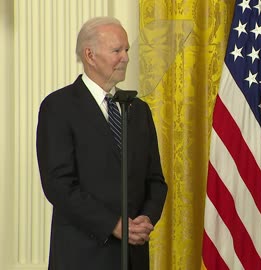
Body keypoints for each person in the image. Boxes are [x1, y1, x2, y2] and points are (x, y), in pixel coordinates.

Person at [36, 17, 168, 270]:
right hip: (83, 256)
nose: (126, 58)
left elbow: (156, 181)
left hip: (133, 257)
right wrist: (114, 225)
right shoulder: (59, 107)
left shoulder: (138, 110)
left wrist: (145, 220)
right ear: (90, 55)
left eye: (127, 50)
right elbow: (58, 184)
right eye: (117, 50)